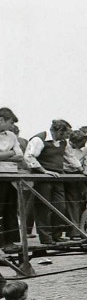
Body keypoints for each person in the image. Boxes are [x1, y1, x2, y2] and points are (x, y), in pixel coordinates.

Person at [24, 119, 87, 245]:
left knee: (60, 206)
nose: (68, 136)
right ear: (59, 131)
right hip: (43, 178)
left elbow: (70, 156)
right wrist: (43, 171)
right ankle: (46, 237)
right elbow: (29, 156)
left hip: (57, 176)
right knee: (43, 207)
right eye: (66, 133)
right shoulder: (40, 139)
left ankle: (56, 234)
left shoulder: (63, 142)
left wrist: (82, 170)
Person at [0, 107, 23, 250]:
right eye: (10, 122)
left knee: (10, 207)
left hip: (10, 175)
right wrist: (10, 153)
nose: (12, 126)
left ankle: (9, 242)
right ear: (1, 120)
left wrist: (4, 155)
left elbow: (20, 155)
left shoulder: (11, 135)